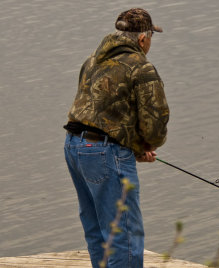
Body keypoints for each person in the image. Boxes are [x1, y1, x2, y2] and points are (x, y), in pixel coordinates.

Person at [63, 8, 169, 268]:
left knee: (98, 230)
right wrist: (146, 145)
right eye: (151, 37)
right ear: (143, 39)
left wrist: (132, 148)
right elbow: (154, 123)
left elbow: (102, 114)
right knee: (125, 235)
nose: (150, 43)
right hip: (104, 152)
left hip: (74, 146)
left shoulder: (92, 61)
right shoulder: (141, 67)